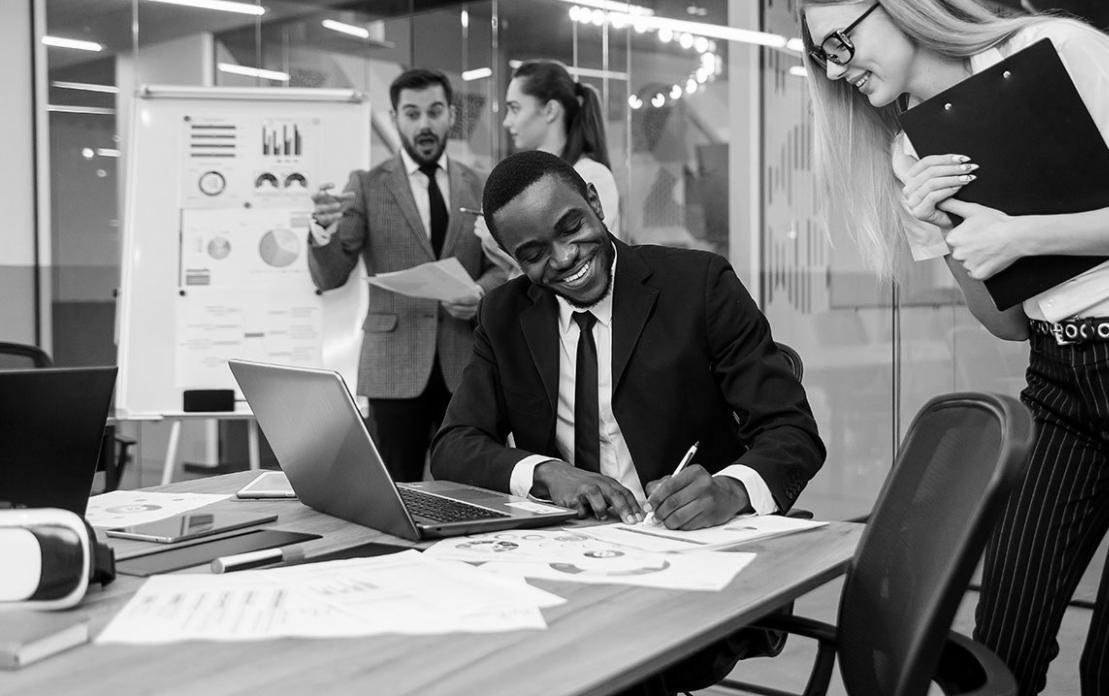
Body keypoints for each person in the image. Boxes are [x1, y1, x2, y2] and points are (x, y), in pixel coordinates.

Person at [796, 0, 1109, 695]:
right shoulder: (910, 153)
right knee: (1001, 642)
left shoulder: (1056, 48)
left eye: (840, 41)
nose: (837, 68)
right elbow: (1007, 322)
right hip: (1060, 375)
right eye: (823, 56)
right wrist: (957, 237)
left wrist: (1027, 232)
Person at [431, 149, 824, 694]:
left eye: (572, 227)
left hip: (685, 559)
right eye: (535, 253)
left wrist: (731, 490)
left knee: (592, 660)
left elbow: (792, 431)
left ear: (594, 202)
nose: (566, 258)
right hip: (567, 561)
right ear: (513, 260)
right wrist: (550, 473)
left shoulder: (698, 285)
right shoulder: (504, 315)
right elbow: (454, 444)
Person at [308, 68, 506, 482]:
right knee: (397, 487)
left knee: (472, 484)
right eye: (412, 114)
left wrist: (479, 292)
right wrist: (323, 232)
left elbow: (501, 266)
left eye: (434, 112)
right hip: (393, 366)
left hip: (466, 360)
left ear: (450, 116)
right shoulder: (366, 186)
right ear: (394, 117)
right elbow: (331, 276)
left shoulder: (481, 185)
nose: (424, 124)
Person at [473, 60, 622, 274]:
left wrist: (500, 244)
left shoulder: (593, 175)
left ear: (550, 110)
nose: (506, 121)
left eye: (515, 109)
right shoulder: (524, 186)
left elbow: (581, 269)